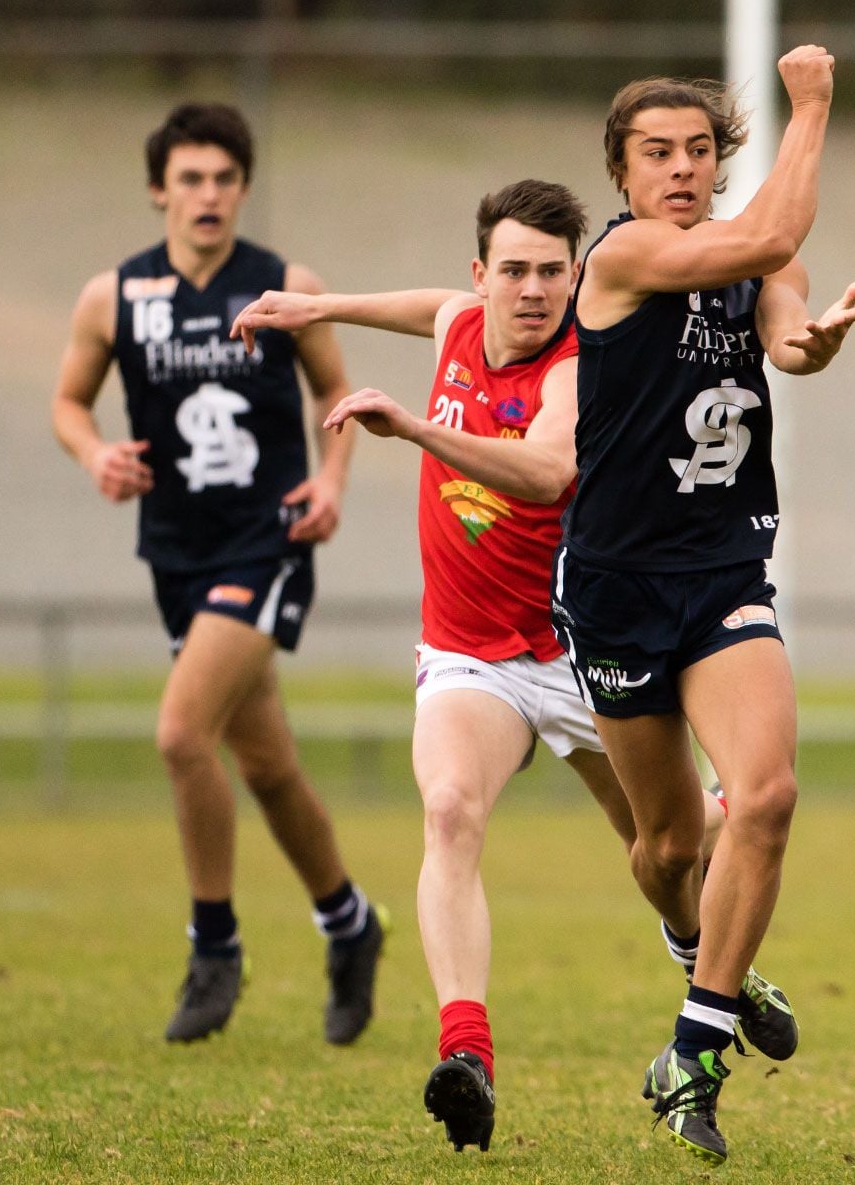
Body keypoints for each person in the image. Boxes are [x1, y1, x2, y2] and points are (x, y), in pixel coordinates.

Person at [231, 179, 719, 1151]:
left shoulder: (584, 369)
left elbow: (544, 473)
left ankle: (711, 965)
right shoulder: (462, 319)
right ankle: (466, 1053)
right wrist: (321, 307)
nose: (532, 290)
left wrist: (412, 430)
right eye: (513, 271)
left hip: (584, 649)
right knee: (450, 810)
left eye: (551, 272)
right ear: (481, 275)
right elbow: (427, 308)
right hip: (471, 655)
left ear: (576, 277)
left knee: (677, 850)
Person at [557, 47, 855, 1165]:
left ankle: (693, 1046)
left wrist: (813, 344)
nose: (681, 169)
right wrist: (817, 106)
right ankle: (694, 948)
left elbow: (785, 323)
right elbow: (772, 239)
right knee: (667, 841)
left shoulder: (747, 260)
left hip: (724, 570)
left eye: (698, 151)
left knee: (768, 795)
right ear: (623, 174)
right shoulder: (629, 255)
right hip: (614, 585)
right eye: (658, 154)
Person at [49, 102, 382, 1047]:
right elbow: (70, 403)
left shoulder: (284, 286)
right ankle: (349, 923)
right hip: (176, 553)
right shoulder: (113, 296)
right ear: (160, 189)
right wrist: (94, 455)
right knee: (268, 767)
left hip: (267, 543)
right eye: (189, 178)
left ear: (243, 188)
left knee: (180, 733)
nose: (207, 195)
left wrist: (329, 482)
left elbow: (338, 396)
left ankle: (214, 946)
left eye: (224, 178)